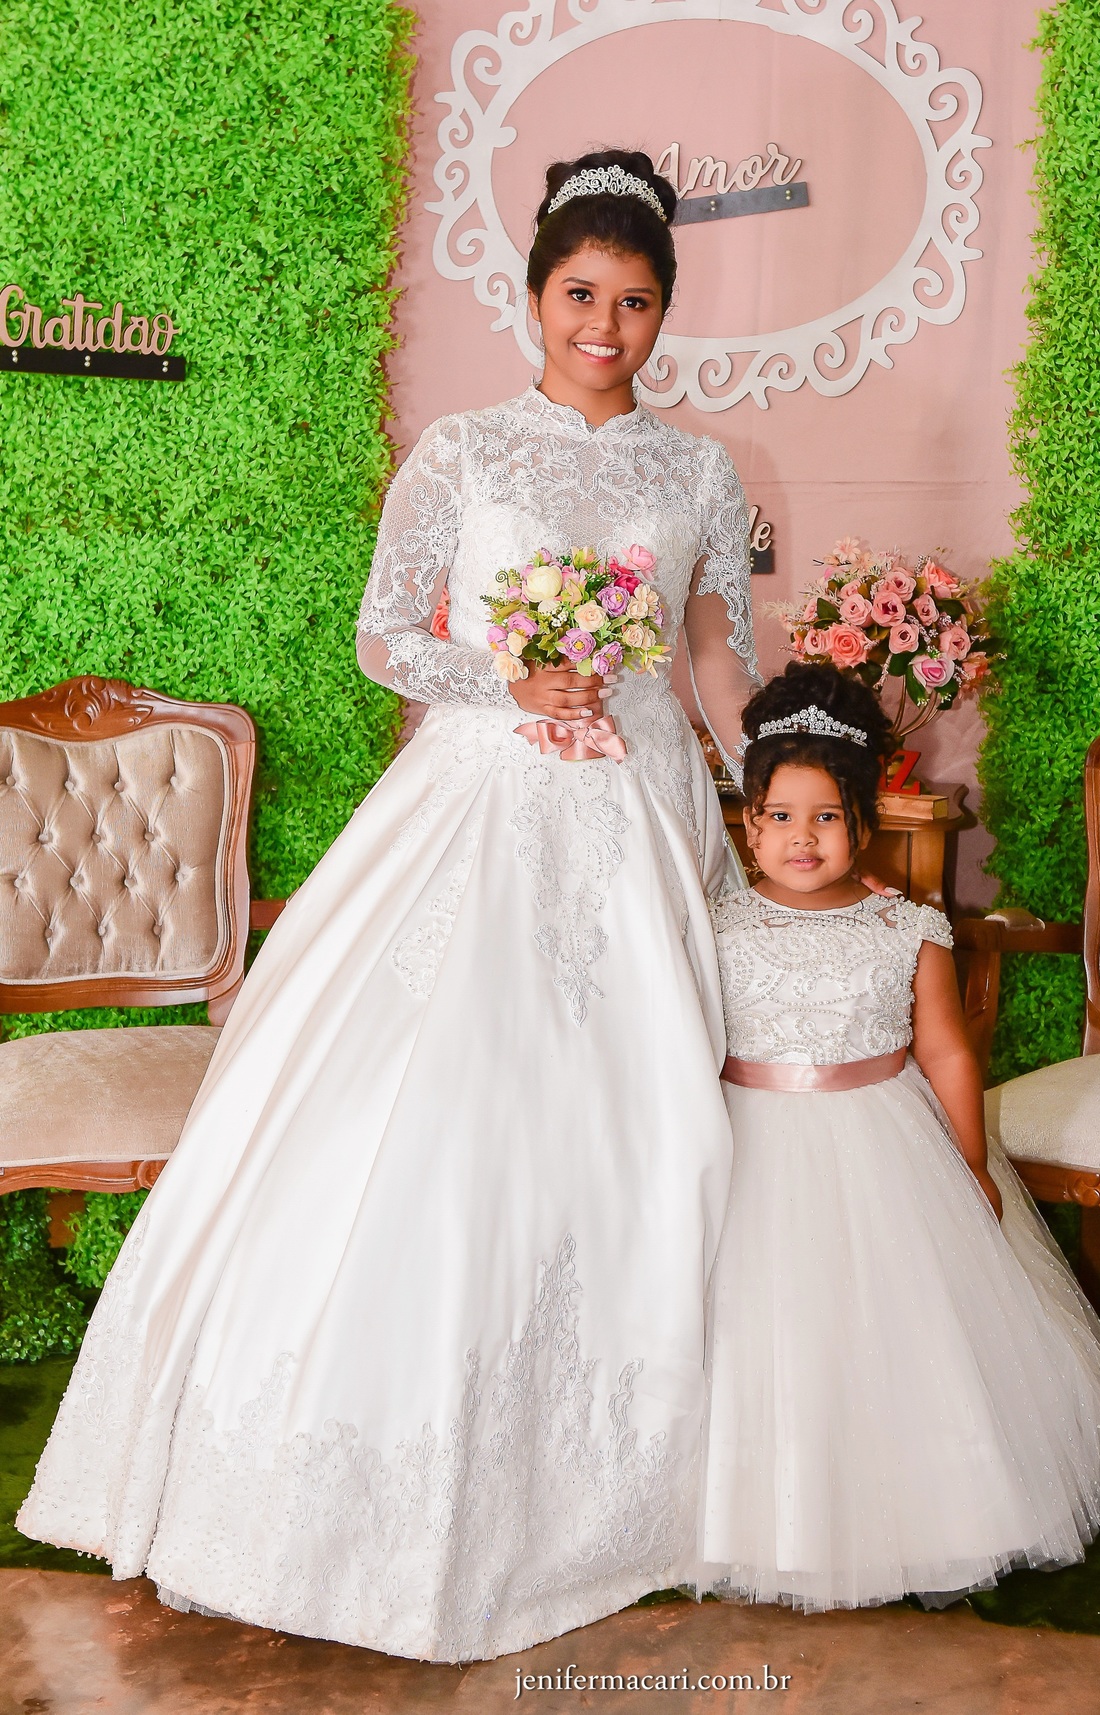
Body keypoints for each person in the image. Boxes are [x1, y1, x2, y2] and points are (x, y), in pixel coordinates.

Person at [18, 149, 759, 1661]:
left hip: (645, 813)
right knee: (447, 1111)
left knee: (655, 1123)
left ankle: (647, 1473)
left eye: (633, 300)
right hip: (482, 807)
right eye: (579, 294)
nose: (604, 325)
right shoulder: (463, 452)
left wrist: (788, 770)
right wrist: (509, 675)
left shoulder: (701, 471)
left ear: (666, 308)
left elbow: (712, 657)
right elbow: (382, 637)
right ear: (532, 296)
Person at [693, 661, 1100, 1612]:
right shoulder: (714, 923)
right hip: (749, 1148)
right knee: (760, 1333)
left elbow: (945, 1050)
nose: (802, 837)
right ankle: (754, 1520)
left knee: (895, 1332)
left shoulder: (907, 928)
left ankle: (921, 1516)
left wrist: (970, 1163)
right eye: (779, 816)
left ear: (864, 821)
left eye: (827, 816)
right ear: (749, 824)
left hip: (883, 1145)